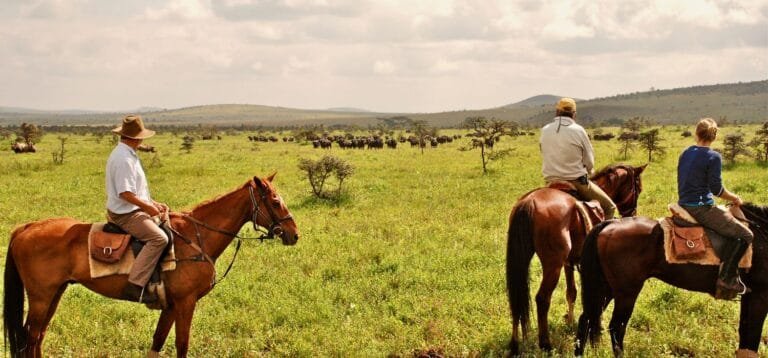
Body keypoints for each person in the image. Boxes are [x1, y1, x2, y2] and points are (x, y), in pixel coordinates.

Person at [677, 117, 753, 297]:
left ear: (696, 134)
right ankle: (727, 278)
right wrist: (736, 198)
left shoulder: (685, 152)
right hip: (701, 208)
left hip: (684, 203)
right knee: (746, 234)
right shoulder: (713, 156)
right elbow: (717, 189)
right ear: (714, 137)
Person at [106, 115, 169, 304]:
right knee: (159, 238)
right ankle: (135, 285)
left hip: (132, 208)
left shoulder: (128, 154)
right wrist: (148, 208)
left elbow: (136, 191)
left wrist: (154, 203)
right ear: (137, 138)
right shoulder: (124, 158)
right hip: (125, 214)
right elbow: (125, 193)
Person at [540, 97, 618, 219]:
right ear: (574, 114)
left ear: (557, 112)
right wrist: (589, 171)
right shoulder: (579, 130)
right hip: (576, 182)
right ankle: (599, 237)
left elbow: (543, 152)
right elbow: (589, 161)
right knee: (609, 207)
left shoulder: (545, 130)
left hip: (550, 182)